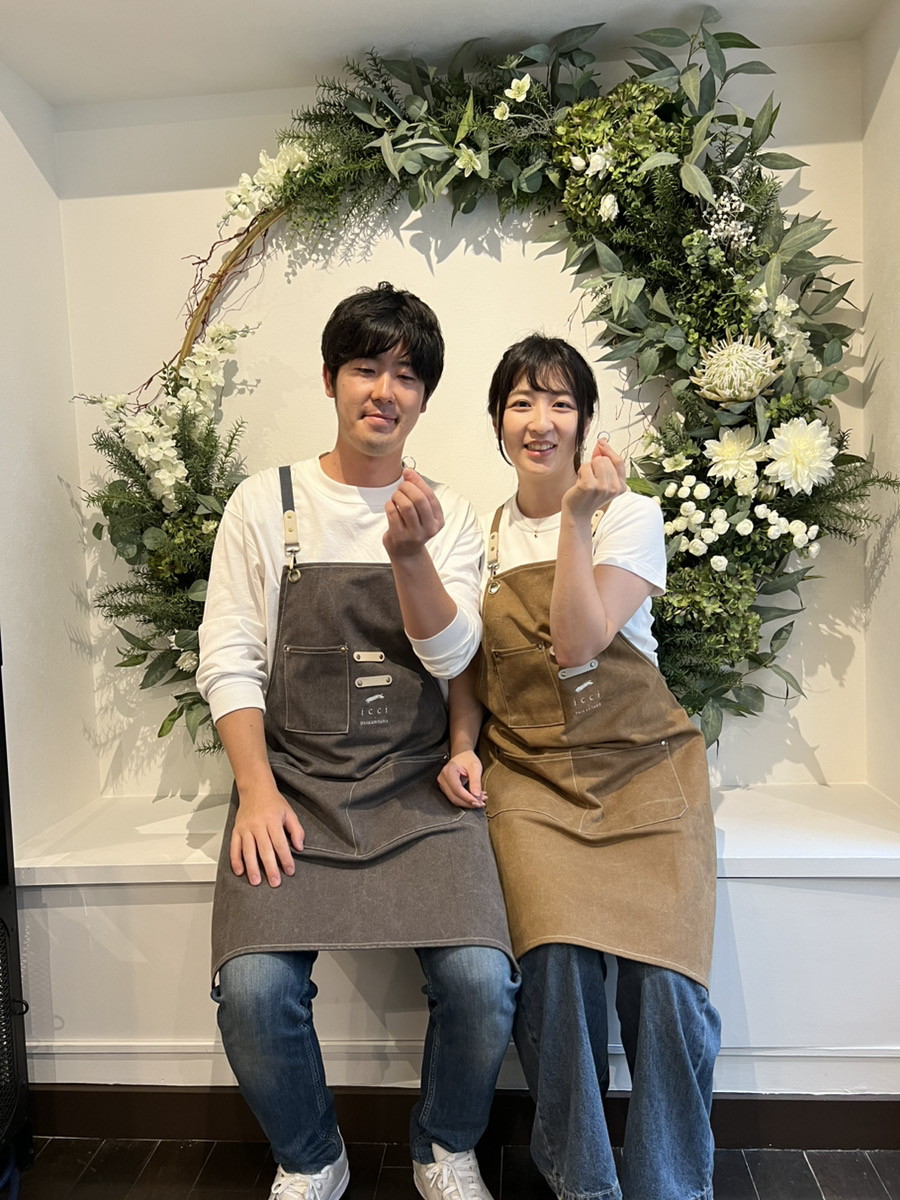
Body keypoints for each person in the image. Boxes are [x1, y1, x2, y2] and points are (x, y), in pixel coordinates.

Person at [197, 283, 519, 1200]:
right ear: (331, 379)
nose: (384, 391)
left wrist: (410, 555)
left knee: (483, 981)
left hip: (420, 786)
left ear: (425, 397)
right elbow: (228, 656)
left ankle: (444, 1148)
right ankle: (312, 1158)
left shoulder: (448, 513)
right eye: (366, 369)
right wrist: (257, 791)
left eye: (406, 376)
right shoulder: (265, 503)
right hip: (294, 787)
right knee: (253, 991)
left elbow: (454, 657)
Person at [438, 335, 720, 1200]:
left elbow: (578, 644)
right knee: (555, 966)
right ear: (497, 421)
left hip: (642, 767)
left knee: (666, 982)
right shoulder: (477, 536)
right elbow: (465, 664)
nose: (541, 420)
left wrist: (575, 518)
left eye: (561, 402)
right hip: (530, 777)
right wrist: (460, 745)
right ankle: (586, 1185)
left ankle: (672, 1187)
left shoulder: (628, 516)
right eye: (522, 402)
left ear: (585, 420)